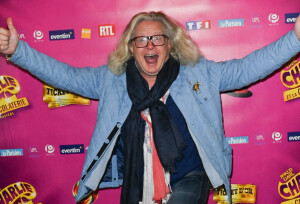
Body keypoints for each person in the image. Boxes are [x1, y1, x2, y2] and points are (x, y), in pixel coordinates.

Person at [0, 12, 299, 204]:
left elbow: (248, 68)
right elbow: (65, 76)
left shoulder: (200, 73)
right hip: (137, 182)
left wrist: (295, 38)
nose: (149, 45)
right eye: (141, 40)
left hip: (189, 177)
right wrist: (19, 52)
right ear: (130, 48)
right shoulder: (112, 81)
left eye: (157, 38)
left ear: (171, 46)